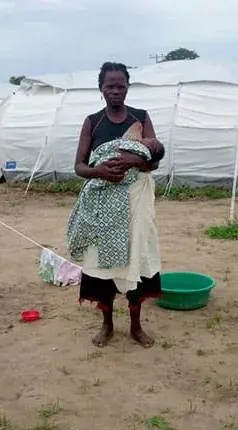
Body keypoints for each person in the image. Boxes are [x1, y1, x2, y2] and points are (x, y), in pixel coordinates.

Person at [70, 62, 165, 348]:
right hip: (104, 201)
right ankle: (107, 325)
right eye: (110, 86)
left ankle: (136, 326)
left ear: (127, 87)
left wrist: (133, 161)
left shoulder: (141, 117)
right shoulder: (93, 121)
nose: (115, 91)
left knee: (137, 257)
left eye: (120, 86)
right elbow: (79, 166)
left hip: (136, 201)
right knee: (104, 264)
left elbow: (154, 159)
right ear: (101, 89)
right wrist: (100, 172)